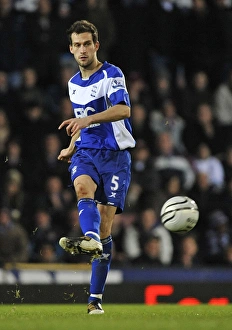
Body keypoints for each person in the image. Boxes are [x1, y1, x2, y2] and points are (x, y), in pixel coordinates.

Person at [57, 20, 135, 314]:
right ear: (71, 49)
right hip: (87, 152)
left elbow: (123, 110)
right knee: (80, 187)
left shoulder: (112, 74)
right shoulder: (73, 84)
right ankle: (89, 239)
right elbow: (81, 122)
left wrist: (86, 121)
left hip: (115, 157)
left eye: (87, 43)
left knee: (105, 226)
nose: (82, 50)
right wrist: (71, 145)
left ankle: (95, 299)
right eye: (76, 45)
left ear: (96, 45)